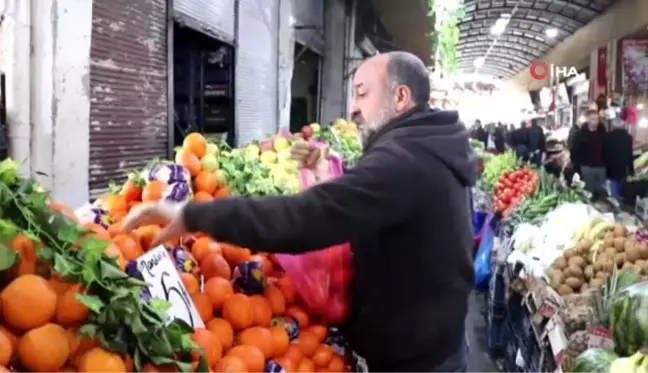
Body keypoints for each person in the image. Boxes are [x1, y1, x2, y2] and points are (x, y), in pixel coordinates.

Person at [123, 51, 475, 373]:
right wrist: (328, 169)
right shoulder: (428, 145)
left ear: (401, 97)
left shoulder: (406, 160)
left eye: (363, 93)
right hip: (434, 339)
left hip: (419, 360)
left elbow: (308, 216)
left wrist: (195, 216)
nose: (353, 107)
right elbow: (378, 202)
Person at [571, 109, 608, 196]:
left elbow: (608, 150)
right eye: (592, 119)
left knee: (602, 192)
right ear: (588, 119)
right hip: (587, 168)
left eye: (596, 119)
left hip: (601, 168)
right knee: (589, 192)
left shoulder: (603, 133)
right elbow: (574, 151)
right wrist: (576, 168)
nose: (595, 121)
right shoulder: (580, 134)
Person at [604, 119, 634, 201]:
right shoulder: (628, 137)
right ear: (623, 126)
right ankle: (619, 198)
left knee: (612, 182)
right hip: (623, 164)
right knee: (620, 181)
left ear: (613, 126)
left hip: (611, 164)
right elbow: (629, 153)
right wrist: (631, 169)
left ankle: (614, 199)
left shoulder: (607, 137)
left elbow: (605, 151)